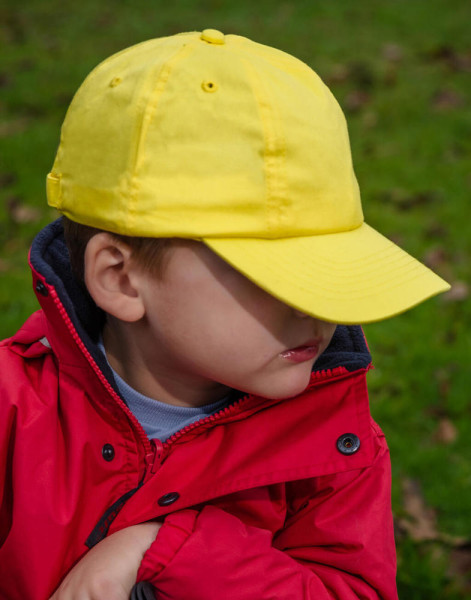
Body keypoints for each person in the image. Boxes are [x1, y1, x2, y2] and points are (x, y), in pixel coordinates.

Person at [0, 29, 449, 600]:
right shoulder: (13, 413)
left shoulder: (337, 451)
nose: (314, 305)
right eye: (269, 275)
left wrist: (167, 551)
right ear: (120, 278)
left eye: (327, 270)